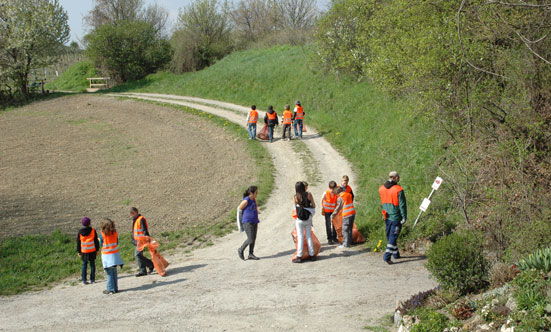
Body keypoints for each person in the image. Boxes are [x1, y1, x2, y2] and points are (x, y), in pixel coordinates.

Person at [379, 171, 407, 264]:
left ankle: (396, 254)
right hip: (396, 217)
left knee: (389, 236)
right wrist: (404, 217)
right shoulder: (399, 190)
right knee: (393, 237)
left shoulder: (381, 188)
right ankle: (387, 256)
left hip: (386, 216)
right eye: (398, 177)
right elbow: (402, 205)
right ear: (396, 178)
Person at [293, 181, 316, 263]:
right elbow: (314, 205)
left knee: (300, 237)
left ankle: (299, 256)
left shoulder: (296, 197)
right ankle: (312, 255)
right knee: (309, 236)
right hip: (308, 218)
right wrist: (308, 207)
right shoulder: (309, 194)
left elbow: (295, 208)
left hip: (299, 219)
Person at [99, 218, 124, 294]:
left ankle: (110, 289)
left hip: (107, 256)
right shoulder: (115, 233)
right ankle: (115, 288)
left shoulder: (102, 234)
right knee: (114, 272)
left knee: (109, 273)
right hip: (115, 255)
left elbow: (101, 244)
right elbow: (116, 242)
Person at [238, 186, 260, 260]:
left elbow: (255, 208)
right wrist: (241, 224)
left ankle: (251, 254)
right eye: (256, 192)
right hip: (247, 222)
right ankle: (241, 249)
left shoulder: (254, 199)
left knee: (253, 239)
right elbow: (239, 210)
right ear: (251, 193)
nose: (257, 194)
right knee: (250, 239)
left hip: (254, 221)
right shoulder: (246, 200)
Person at [130, 207, 154, 277]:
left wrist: (147, 239)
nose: (131, 216)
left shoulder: (141, 219)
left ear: (135, 213)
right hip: (138, 241)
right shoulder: (136, 219)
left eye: (131, 214)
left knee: (138, 255)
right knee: (139, 255)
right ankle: (143, 270)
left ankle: (150, 265)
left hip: (141, 240)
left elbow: (144, 230)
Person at [76, 217, 99, 285]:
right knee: (92, 264)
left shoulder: (80, 232)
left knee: (84, 265)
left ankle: (84, 280)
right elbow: (96, 241)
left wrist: (79, 251)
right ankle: (92, 279)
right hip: (92, 250)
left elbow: (78, 242)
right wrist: (97, 249)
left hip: (84, 251)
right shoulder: (93, 230)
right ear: (89, 223)